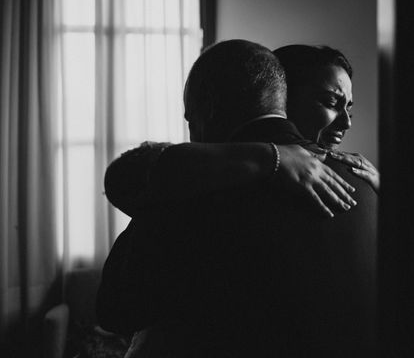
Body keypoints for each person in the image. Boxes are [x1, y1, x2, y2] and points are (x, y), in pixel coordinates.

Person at [97, 40, 377, 356]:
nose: (346, 122)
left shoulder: (194, 189)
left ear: (210, 106)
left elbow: (115, 310)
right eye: (331, 102)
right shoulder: (365, 184)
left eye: (190, 119)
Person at [103, 44, 379, 223]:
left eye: (348, 109)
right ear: (282, 97)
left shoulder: (360, 180)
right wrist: (272, 157)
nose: (346, 123)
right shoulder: (207, 174)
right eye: (331, 103)